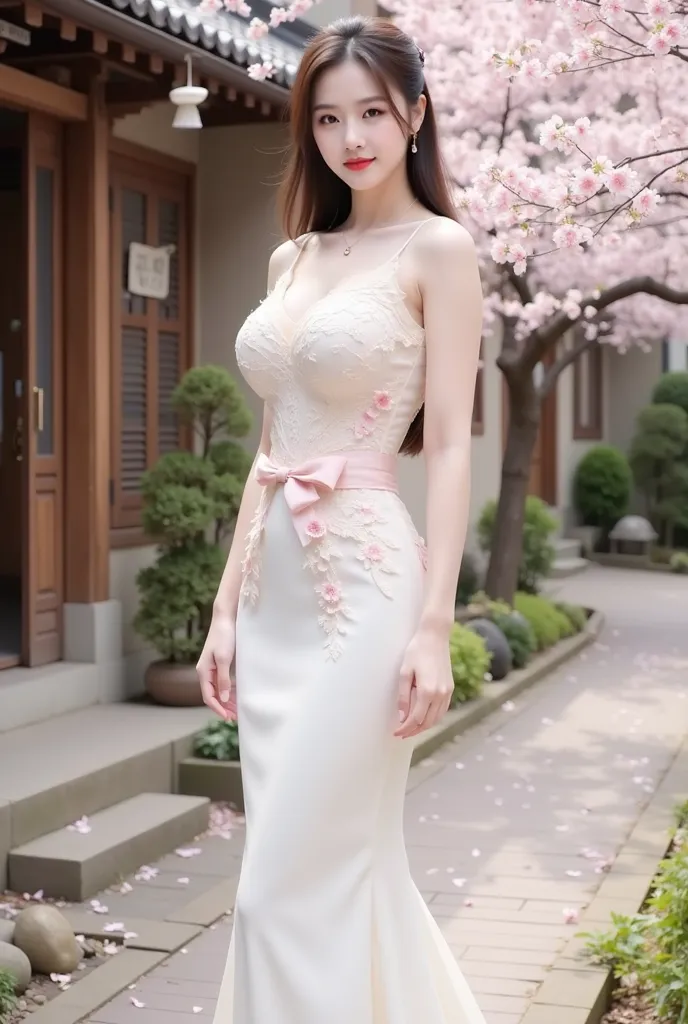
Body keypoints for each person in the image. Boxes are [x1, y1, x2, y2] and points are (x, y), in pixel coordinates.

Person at [197, 13, 485, 1024]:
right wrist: (226, 610)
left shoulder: (440, 251)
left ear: (415, 113)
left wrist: (436, 625)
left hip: (366, 592)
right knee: (327, 878)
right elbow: (267, 450)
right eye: (327, 118)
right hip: (273, 596)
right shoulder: (292, 259)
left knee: (281, 885)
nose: (351, 137)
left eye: (371, 111)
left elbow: (447, 444)